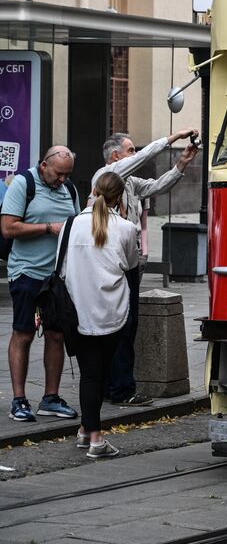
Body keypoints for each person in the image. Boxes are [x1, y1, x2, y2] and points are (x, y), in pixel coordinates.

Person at [96, 128, 201, 405]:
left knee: (128, 324)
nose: (135, 155)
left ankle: (117, 384)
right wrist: (172, 139)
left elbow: (155, 186)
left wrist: (181, 165)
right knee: (118, 323)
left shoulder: (128, 182)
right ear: (116, 156)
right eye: (131, 150)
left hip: (130, 260)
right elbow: (145, 156)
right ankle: (118, 387)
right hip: (111, 261)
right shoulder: (106, 176)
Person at [61, 172, 139, 458]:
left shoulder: (72, 225)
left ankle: (85, 430)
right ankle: (96, 439)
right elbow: (131, 265)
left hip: (77, 311)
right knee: (98, 373)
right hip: (111, 311)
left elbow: (61, 268)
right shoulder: (127, 228)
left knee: (91, 373)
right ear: (120, 198)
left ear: (93, 190)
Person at [2, 146, 81, 422]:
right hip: (27, 272)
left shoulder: (69, 189)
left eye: (67, 174)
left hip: (56, 277)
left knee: (57, 335)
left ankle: (50, 398)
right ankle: (19, 400)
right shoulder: (24, 183)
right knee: (23, 334)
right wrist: (49, 228)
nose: (62, 180)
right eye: (59, 174)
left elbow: (76, 226)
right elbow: (8, 227)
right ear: (44, 165)